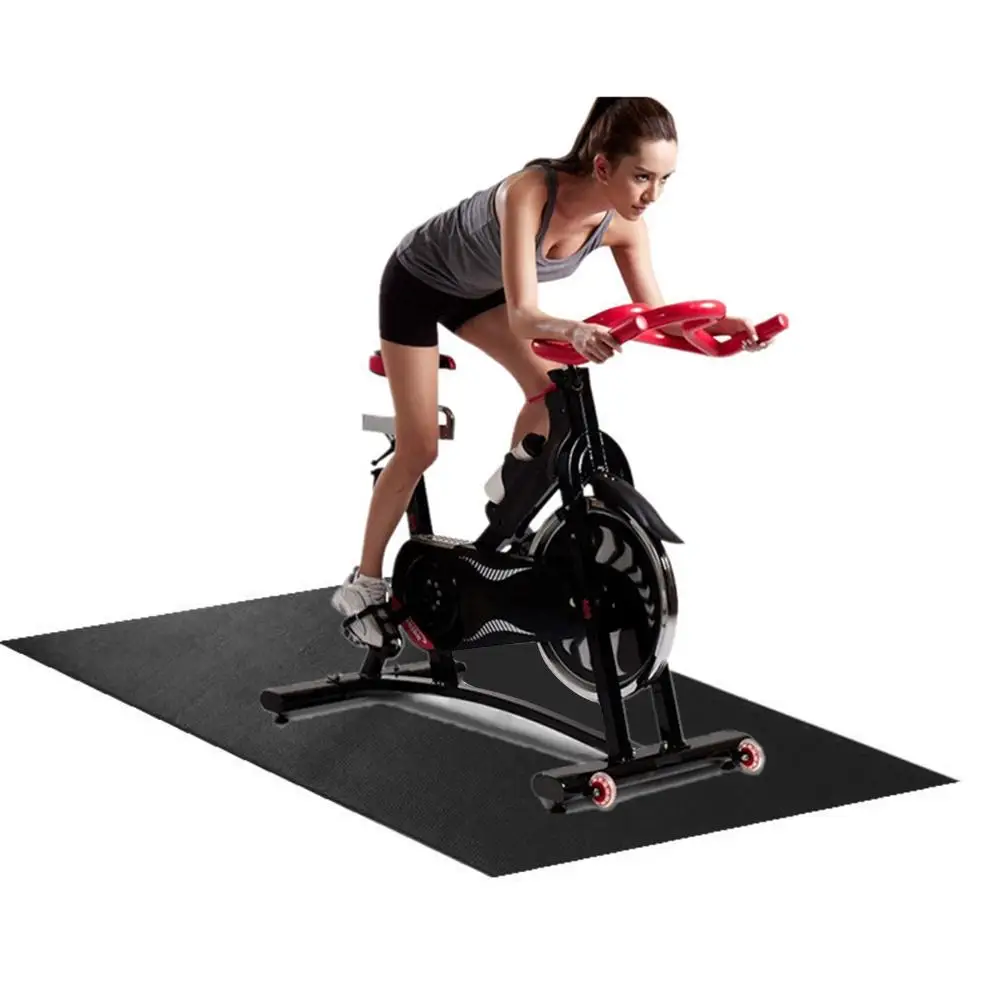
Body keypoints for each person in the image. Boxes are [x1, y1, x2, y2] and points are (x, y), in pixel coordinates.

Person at [332, 96, 755, 647]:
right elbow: (524, 315)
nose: (653, 195)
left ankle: (506, 505)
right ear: (602, 166)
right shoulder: (530, 193)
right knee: (420, 446)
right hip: (418, 282)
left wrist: (722, 333)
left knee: (552, 395)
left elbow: (656, 316)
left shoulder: (625, 227)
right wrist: (574, 330)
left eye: (664, 180)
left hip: (481, 292)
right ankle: (362, 584)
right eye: (642, 177)